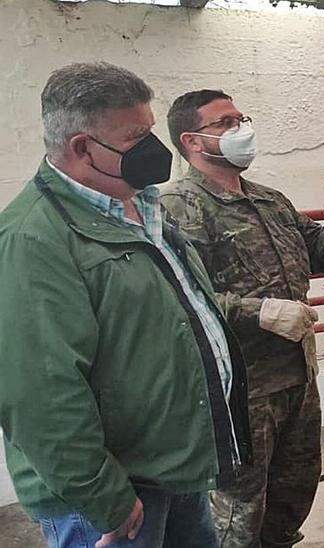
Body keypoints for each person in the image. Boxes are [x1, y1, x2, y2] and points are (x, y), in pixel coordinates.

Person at [0, 62, 253, 548]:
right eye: (137, 136)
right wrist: (104, 497)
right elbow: (40, 392)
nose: (154, 150)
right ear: (82, 148)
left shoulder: (143, 207)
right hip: (114, 497)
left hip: (171, 468)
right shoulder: (34, 239)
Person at [160, 89, 324, 548]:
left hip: (297, 380)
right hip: (238, 391)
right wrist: (259, 313)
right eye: (225, 123)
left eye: (242, 118)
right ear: (191, 141)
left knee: (290, 501)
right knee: (237, 518)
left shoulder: (270, 200)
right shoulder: (174, 207)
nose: (241, 130)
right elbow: (175, 298)